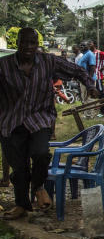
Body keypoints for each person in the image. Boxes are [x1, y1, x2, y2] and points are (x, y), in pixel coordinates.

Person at [0, 28, 98, 220]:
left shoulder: (48, 61)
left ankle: (38, 186)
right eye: (24, 42)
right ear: (18, 43)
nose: (28, 47)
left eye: (32, 43)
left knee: (41, 153)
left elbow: (77, 70)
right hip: (11, 120)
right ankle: (21, 204)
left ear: (37, 44)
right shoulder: (4, 66)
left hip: (40, 118)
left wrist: (91, 85)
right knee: (18, 167)